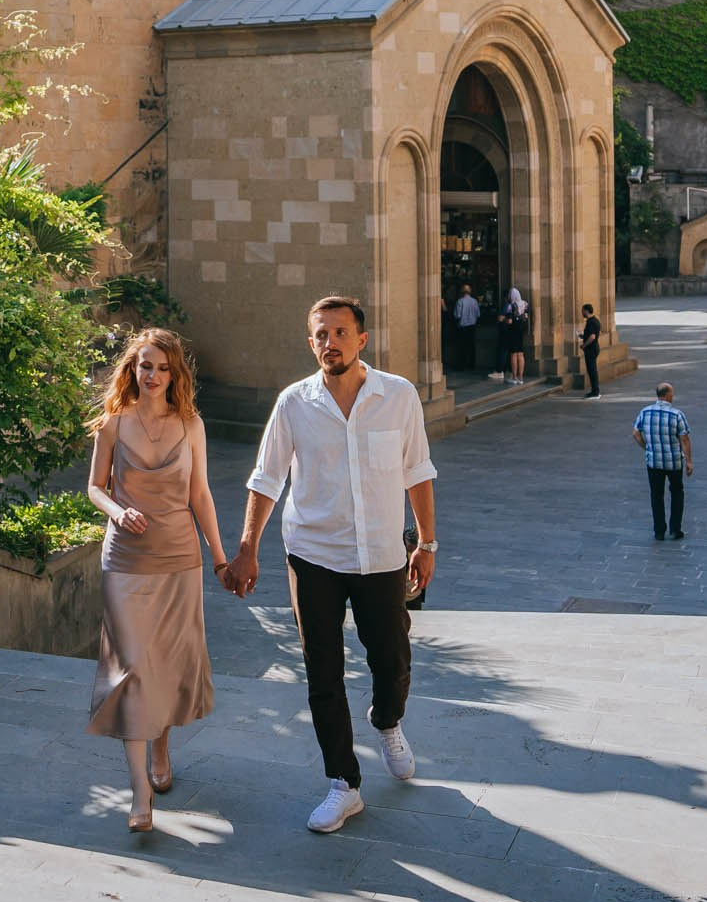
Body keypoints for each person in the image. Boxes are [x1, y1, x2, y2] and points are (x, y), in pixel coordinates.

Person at [221, 297, 437, 835]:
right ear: (310, 341)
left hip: (382, 555)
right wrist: (247, 547)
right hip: (313, 554)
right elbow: (267, 478)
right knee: (323, 669)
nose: (330, 342)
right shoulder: (294, 402)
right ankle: (343, 783)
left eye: (340, 332)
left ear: (362, 340)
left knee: (392, 657)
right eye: (321, 334)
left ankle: (386, 721)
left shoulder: (399, 396)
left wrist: (427, 544)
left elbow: (418, 470)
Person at [84, 329, 229, 834]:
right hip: (124, 560)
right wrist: (118, 511)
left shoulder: (191, 424)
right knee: (131, 669)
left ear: (176, 374)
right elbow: (95, 488)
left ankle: (162, 747)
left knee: (166, 663)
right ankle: (140, 794)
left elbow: (202, 495)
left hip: (180, 559)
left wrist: (219, 558)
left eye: (164, 368)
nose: (154, 376)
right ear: (133, 368)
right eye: (146, 366)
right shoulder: (113, 423)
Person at [633, 382, 693, 540]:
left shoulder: (645, 412)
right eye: (672, 393)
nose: (673, 396)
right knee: (677, 493)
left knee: (656, 495)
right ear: (666, 395)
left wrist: (646, 447)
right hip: (674, 462)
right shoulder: (677, 414)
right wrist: (689, 461)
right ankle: (675, 529)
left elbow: (635, 433)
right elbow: (684, 439)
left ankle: (659, 530)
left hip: (654, 462)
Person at [500, 287, 530, 381]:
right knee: (520, 354)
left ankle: (514, 377)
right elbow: (526, 317)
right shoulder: (525, 304)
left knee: (513, 354)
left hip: (512, 332)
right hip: (521, 331)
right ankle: (521, 377)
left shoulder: (511, 306)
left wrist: (503, 319)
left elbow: (509, 321)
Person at [453, 283, 481, 373]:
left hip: (463, 327)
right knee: (471, 346)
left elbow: (457, 315)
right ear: (470, 291)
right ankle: (471, 364)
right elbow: (478, 314)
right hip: (472, 326)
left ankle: (461, 365)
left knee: (461, 347)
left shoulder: (460, 301)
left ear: (462, 291)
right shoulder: (475, 301)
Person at [577, 303, 603, 398]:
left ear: (587, 311)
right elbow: (592, 334)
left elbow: (592, 337)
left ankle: (595, 392)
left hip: (591, 349)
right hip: (594, 348)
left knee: (592, 371)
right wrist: (582, 336)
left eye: (582, 311)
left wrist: (584, 345)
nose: (582, 313)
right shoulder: (595, 321)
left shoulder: (591, 322)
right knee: (592, 370)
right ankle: (595, 390)